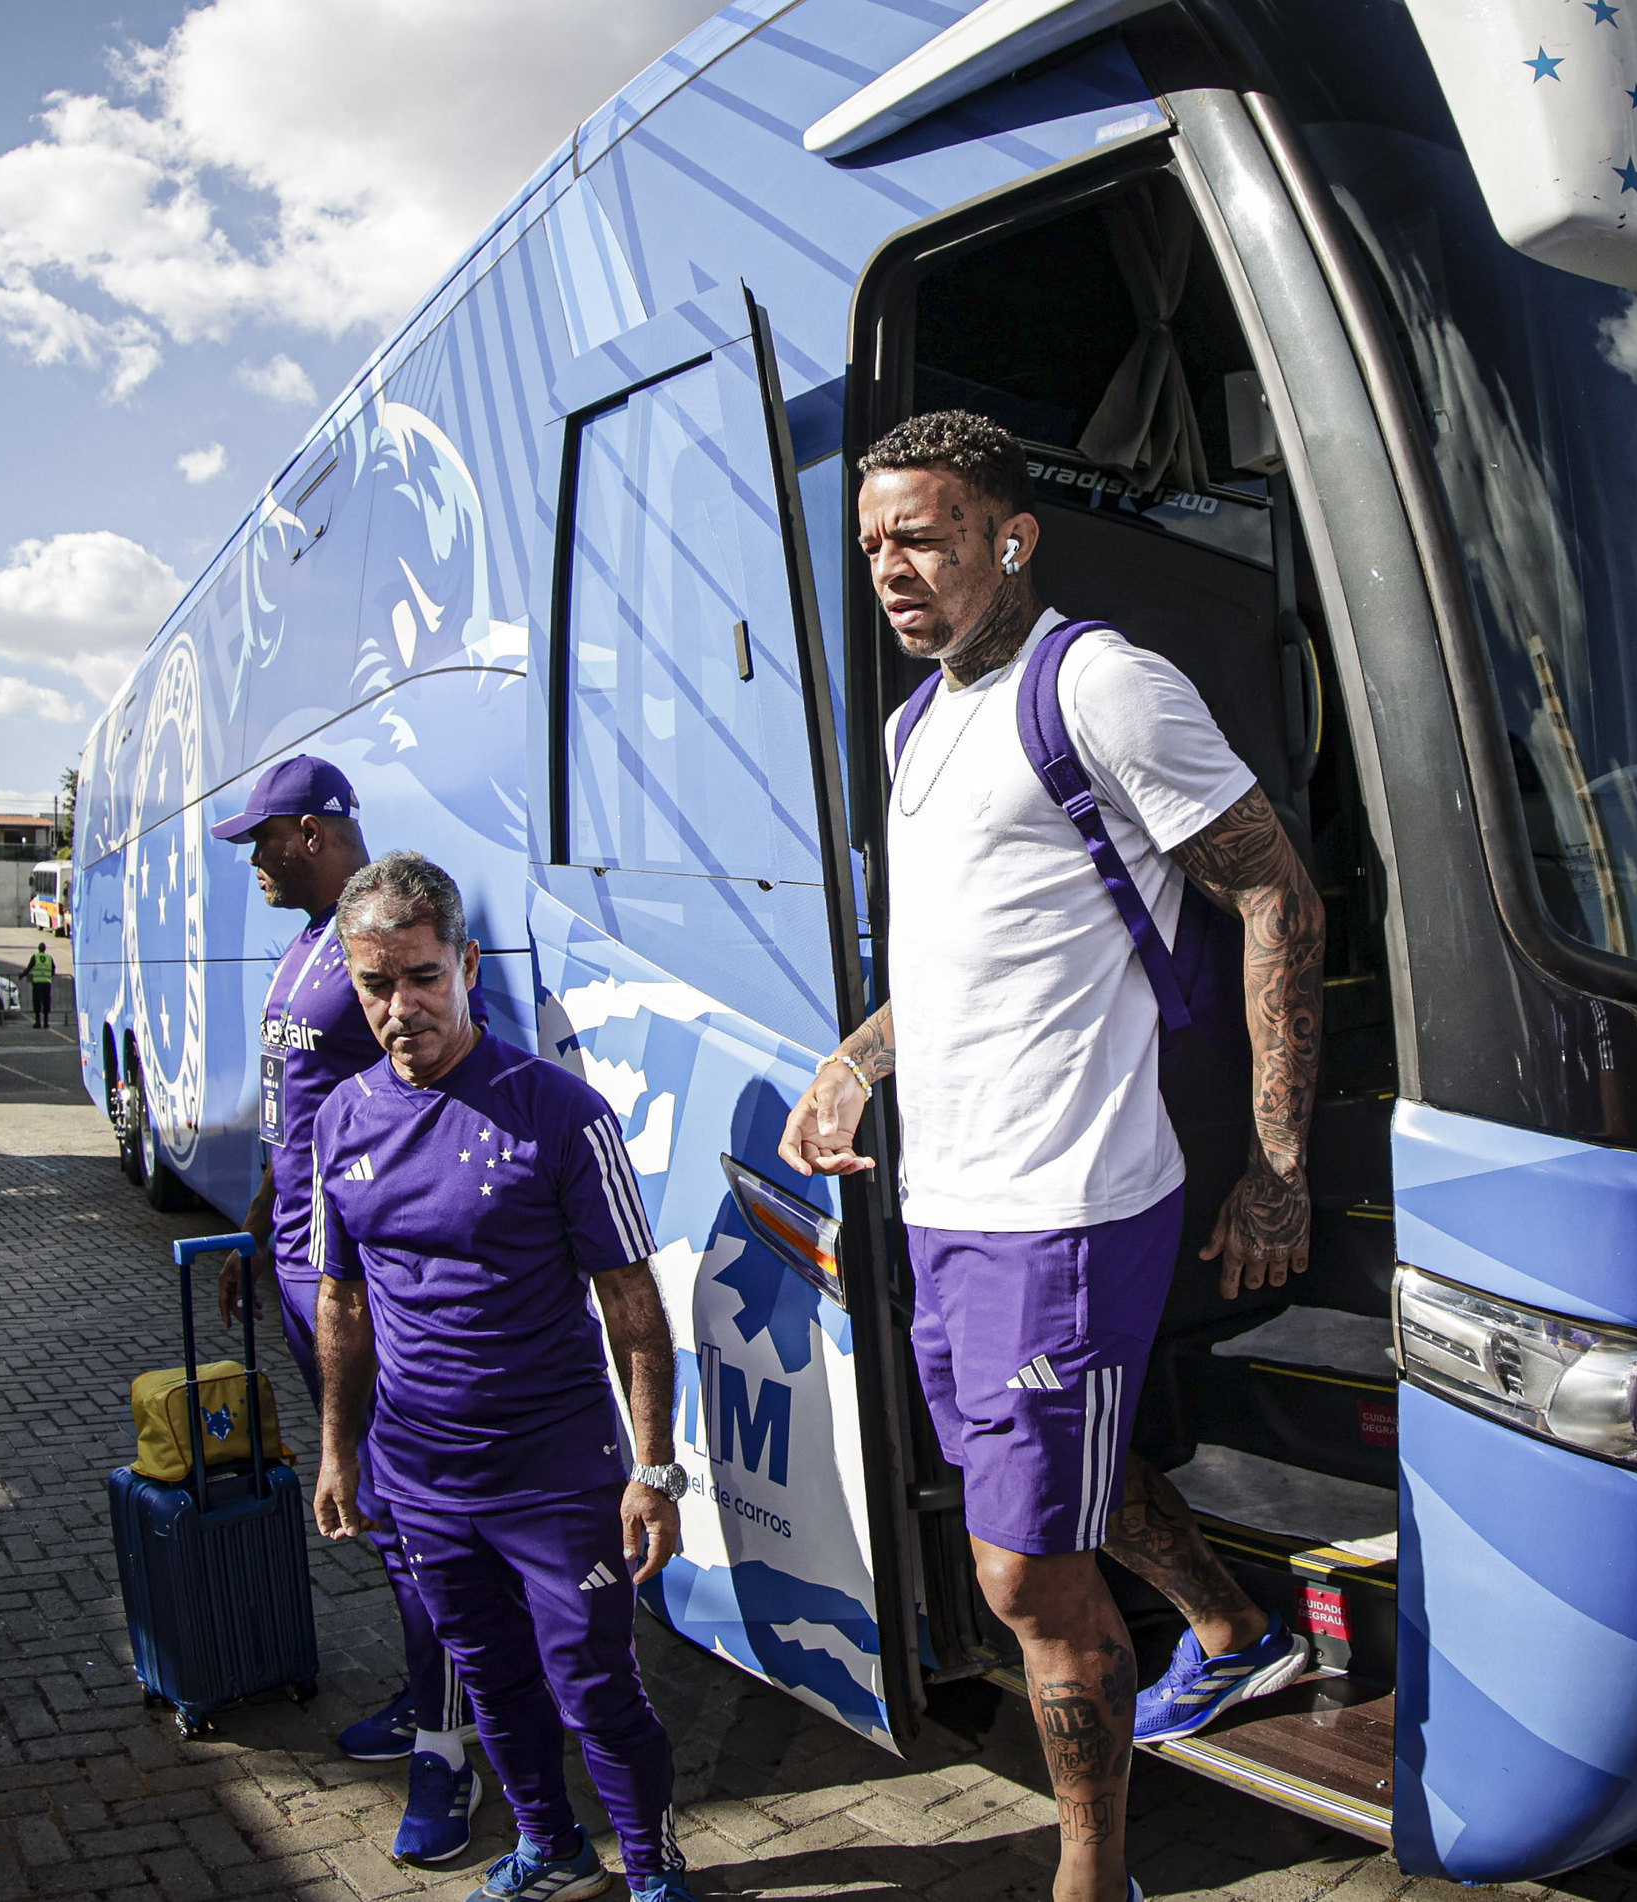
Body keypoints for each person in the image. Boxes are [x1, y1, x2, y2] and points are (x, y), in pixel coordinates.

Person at [779, 412, 1325, 1902]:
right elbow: (964, 953)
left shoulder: (1098, 685)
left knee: (1019, 1568)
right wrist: (857, 1060)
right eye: (877, 538)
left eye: (928, 533)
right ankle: (1238, 1634)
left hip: (1065, 1206)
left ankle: (1094, 1875)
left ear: (1012, 537)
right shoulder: (916, 724)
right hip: (947, 1207)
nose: (892, 565)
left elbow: (1277, 898)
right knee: (1045, 1481)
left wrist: (1276, 1166)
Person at [312, 852, 693, 1902]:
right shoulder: (339, 1121)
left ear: (465, 965)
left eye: (422, 977)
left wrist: (652, 1471)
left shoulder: (559, 1113)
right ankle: (551, 1849)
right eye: (375, 986)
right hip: (422, 1478)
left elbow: (633, 1308)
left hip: (557, 1476)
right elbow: (341, 1301)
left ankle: (654, 1871)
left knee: (593, 1689)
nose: (401, 1009)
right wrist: (339, 1451)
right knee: (490, 1679)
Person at [208, 761, 476, 1863]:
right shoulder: (312, 941)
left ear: (312, 831)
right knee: (371, 1505)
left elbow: (445, 1095)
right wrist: (260, 1221)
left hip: (368, 1284)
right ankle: (435, 1705)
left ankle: (452, 1754)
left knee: (423, 1523)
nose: (252, 862)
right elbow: (299, 1116)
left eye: (262, 841)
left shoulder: (388, 940)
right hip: (299, 1264)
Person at [23, 940, 55, 1028]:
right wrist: (48, 976)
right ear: (45, 949)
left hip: (37, 983)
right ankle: (46, 1023)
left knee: (37, 1003)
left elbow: (29, 968)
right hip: (47, 983)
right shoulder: (49, 957)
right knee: (46, 1002)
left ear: (39, 949)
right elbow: (53, 969)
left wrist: (22, 975)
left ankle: (38, 1022)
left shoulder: (35, 957)